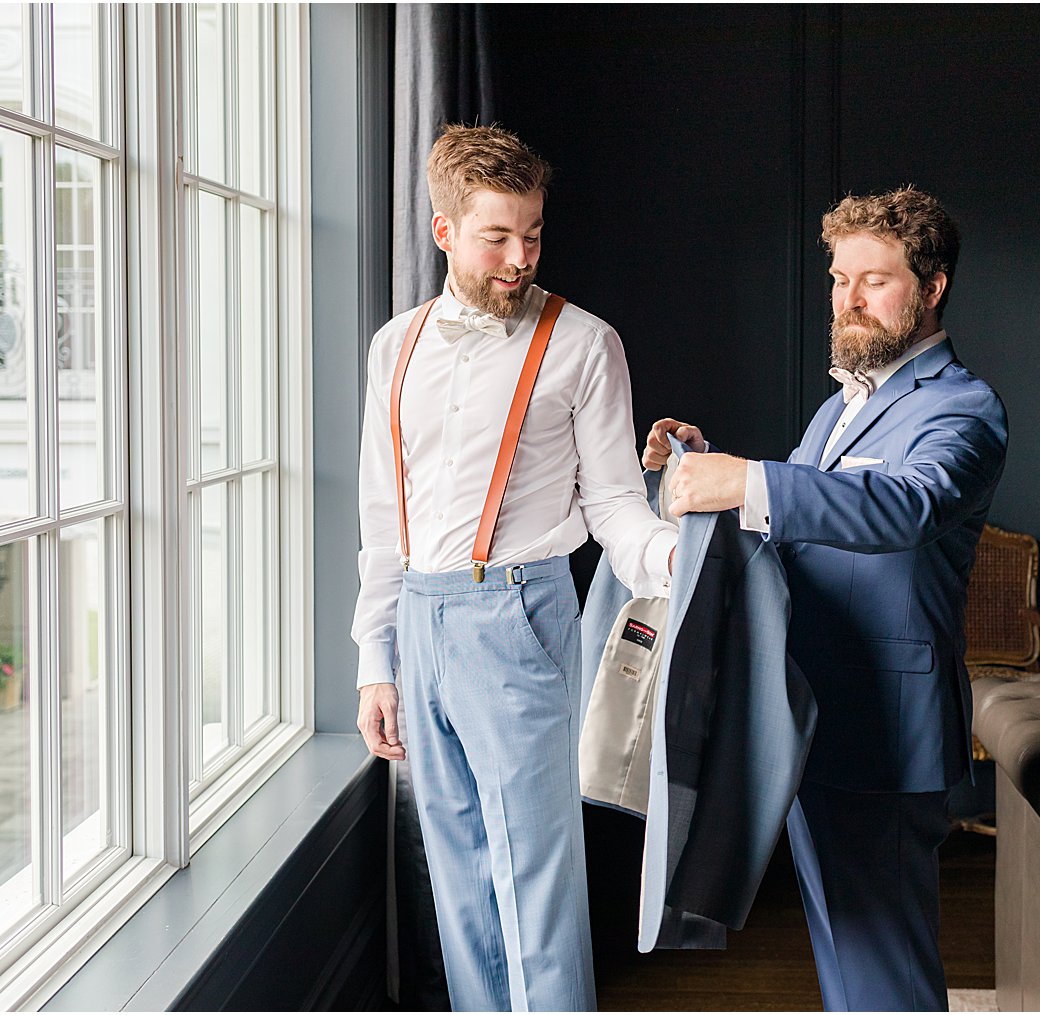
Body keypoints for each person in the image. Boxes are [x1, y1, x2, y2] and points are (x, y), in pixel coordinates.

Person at [645, 187, 1008, 1011]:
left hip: (885, 731)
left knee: (886, 973)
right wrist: (698, 468)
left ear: (932, 286)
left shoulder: (962, 407)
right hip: (814, 717)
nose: (847, 300)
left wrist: (747, 479)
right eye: (840, 279)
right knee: (847, 958)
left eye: (873, 281)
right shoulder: (839, 410)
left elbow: (905, 507)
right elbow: (793, 526)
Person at [352, 124, 677, 1012]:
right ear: (444, 230)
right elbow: (385, 522)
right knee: (457, 876)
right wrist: (374, 662)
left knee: (535, 877)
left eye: (532, 234)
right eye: (497, 236)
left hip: (521, 615)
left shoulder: (584, 344)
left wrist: (678, 557)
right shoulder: (396, 346)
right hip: (420, 617)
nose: (519, 258)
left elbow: (614, 505)